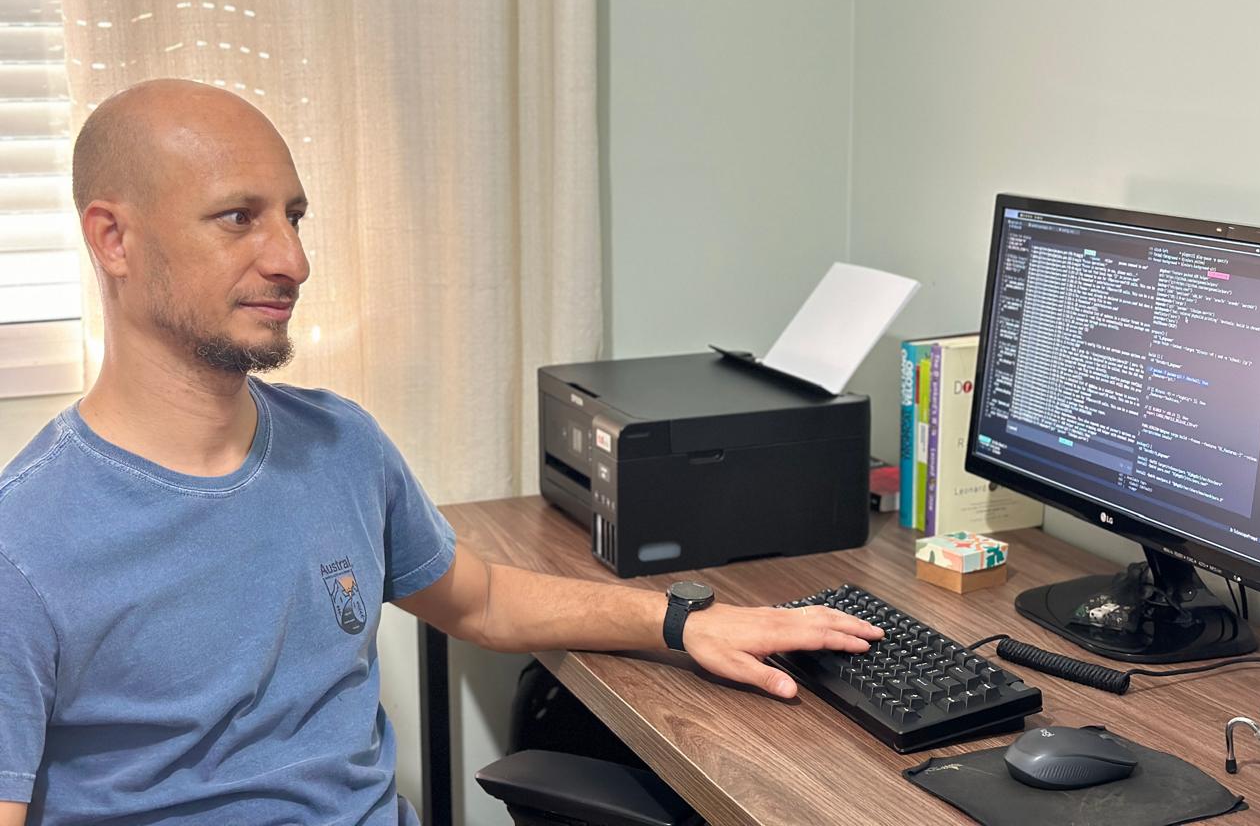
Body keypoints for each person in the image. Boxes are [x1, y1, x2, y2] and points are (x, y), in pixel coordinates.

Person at [0, 79, 882, 826]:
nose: (294, 261)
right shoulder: (27, 541)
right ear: (113, 239)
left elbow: (483, 600)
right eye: (239, 219)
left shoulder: (338, 444)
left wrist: (685, 622)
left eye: (296, 218)